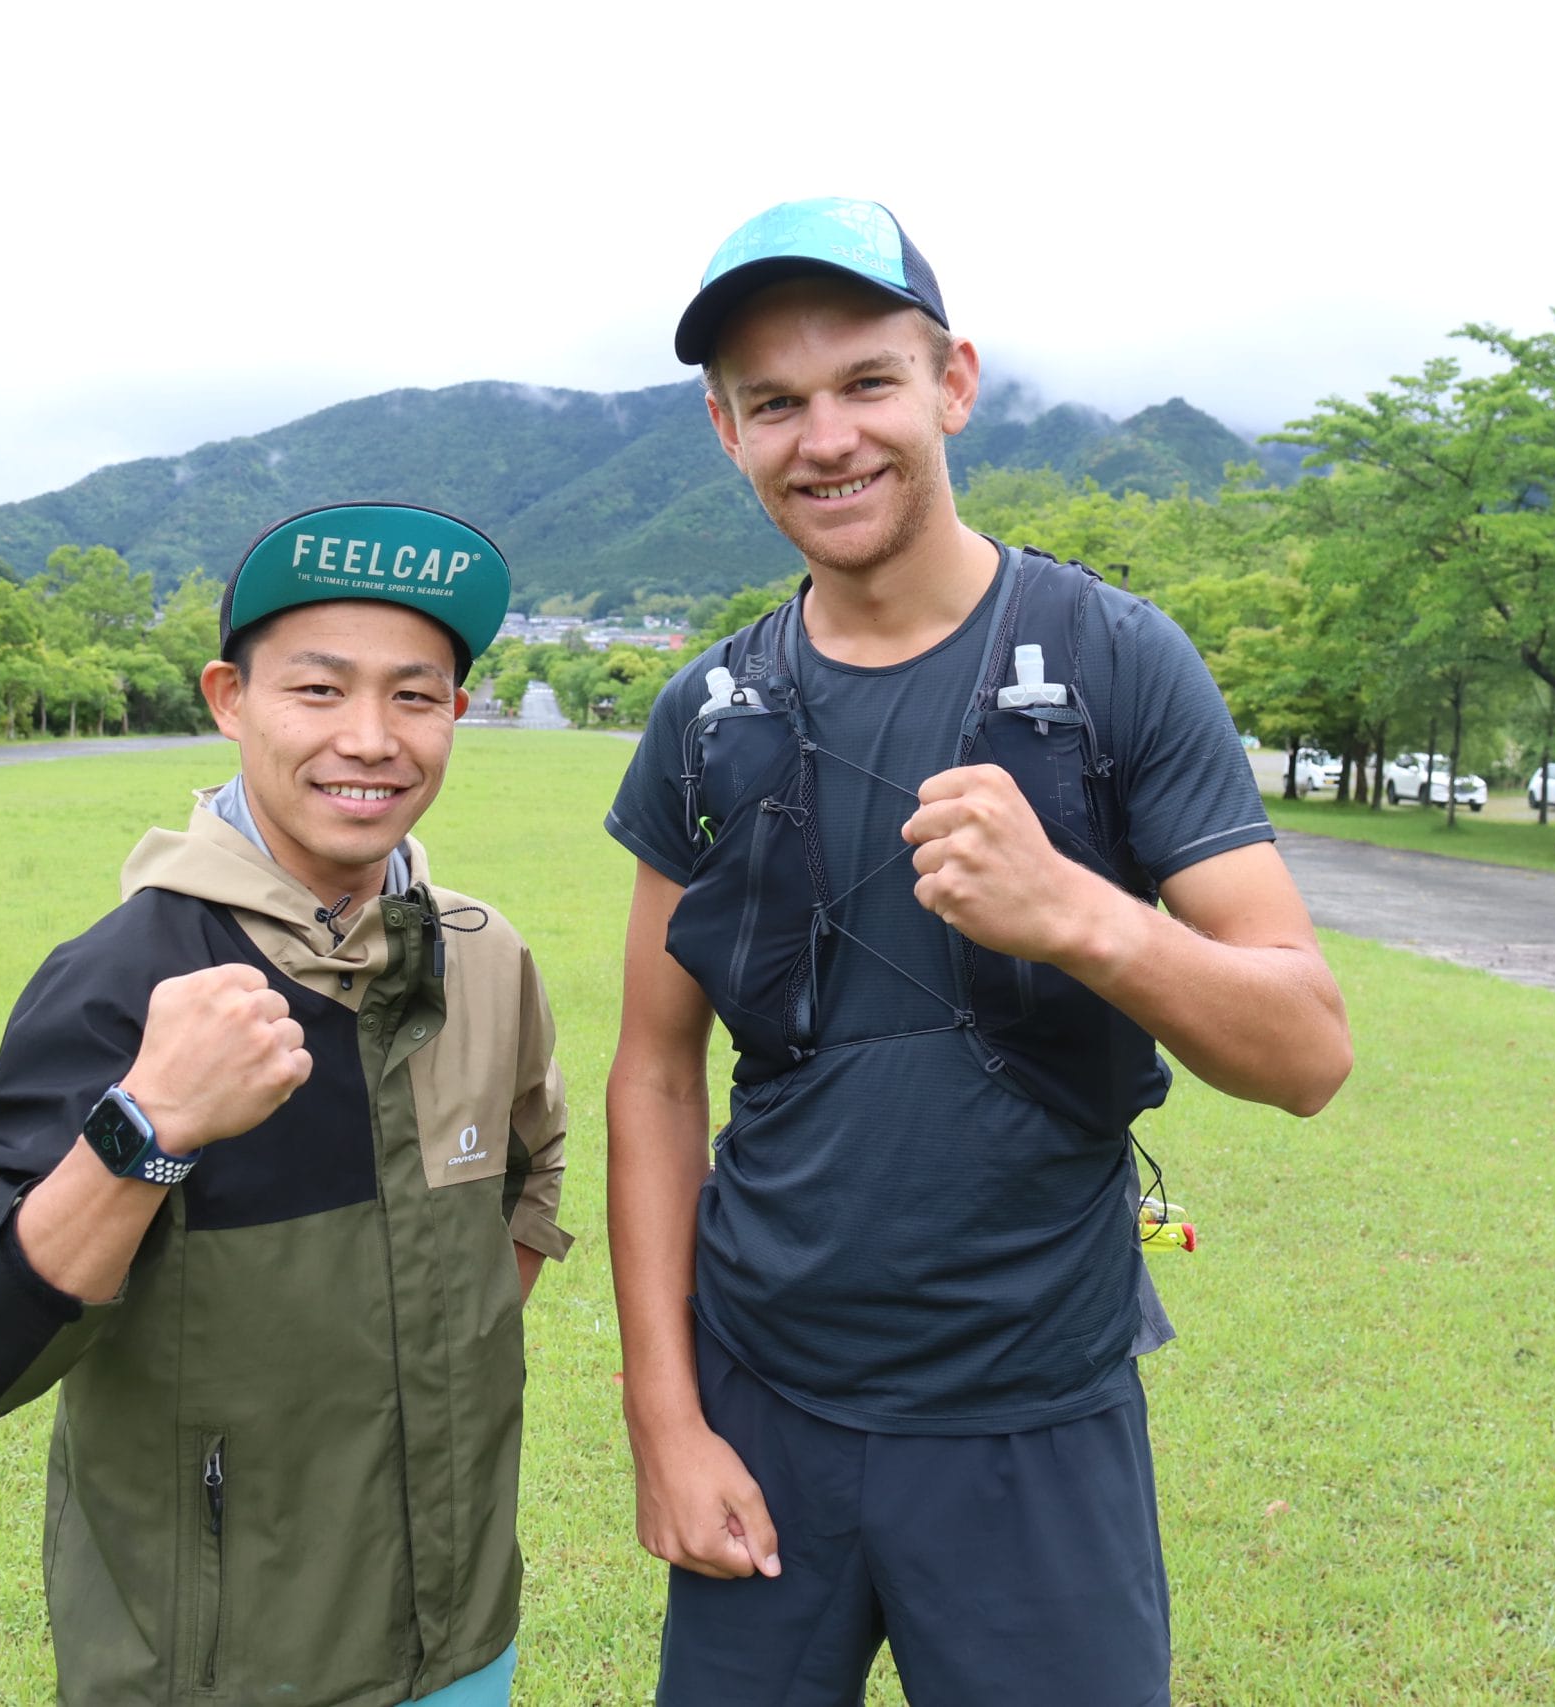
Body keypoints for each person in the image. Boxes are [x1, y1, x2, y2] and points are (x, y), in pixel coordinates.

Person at [603, 198, 1354, 1705]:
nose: (827, 438)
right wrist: (665, 1422)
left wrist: (1081, 914)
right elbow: (656, 1077)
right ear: (726, 431)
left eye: (867, 382)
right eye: (775, 403)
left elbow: (1307, 1050)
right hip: (763, 1401)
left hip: (1035, 1413)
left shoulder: (1115, 659)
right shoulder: (706, 713)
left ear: (951, 383)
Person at [0, 502, 572, 1707]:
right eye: (318, 691)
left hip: (463, 1639)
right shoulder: (122, 978)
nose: (369, 740)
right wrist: (148, 1125)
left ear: (455, 713)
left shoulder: (486, 958)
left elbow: (531, 1182)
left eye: (415, 696)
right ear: (230, 700)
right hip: (215, 1671)